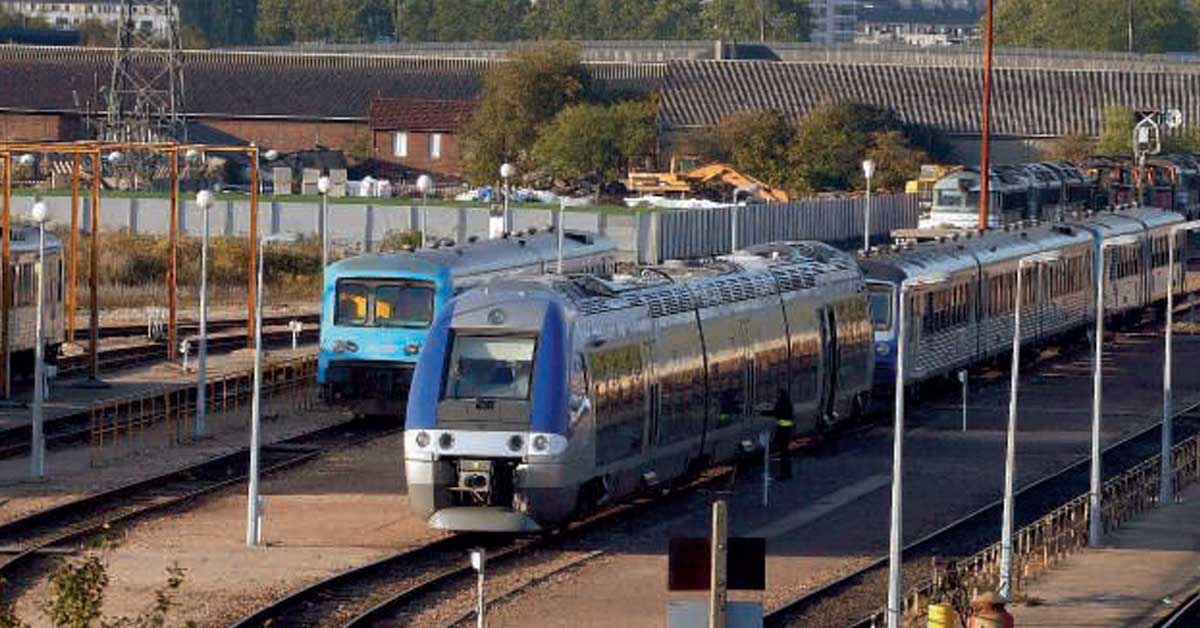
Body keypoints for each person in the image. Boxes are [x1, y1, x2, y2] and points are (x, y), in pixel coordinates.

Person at [773, 389, 795, 481]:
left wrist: (762, 413)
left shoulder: (781, 403)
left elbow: (776, 413)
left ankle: (783, 475)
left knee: (783, 455)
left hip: (783, 432)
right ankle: (788, 473)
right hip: (788, 431)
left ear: (780, 394)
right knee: (786, 454)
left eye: (777, 394)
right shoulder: (788, 402)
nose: (776, 395)